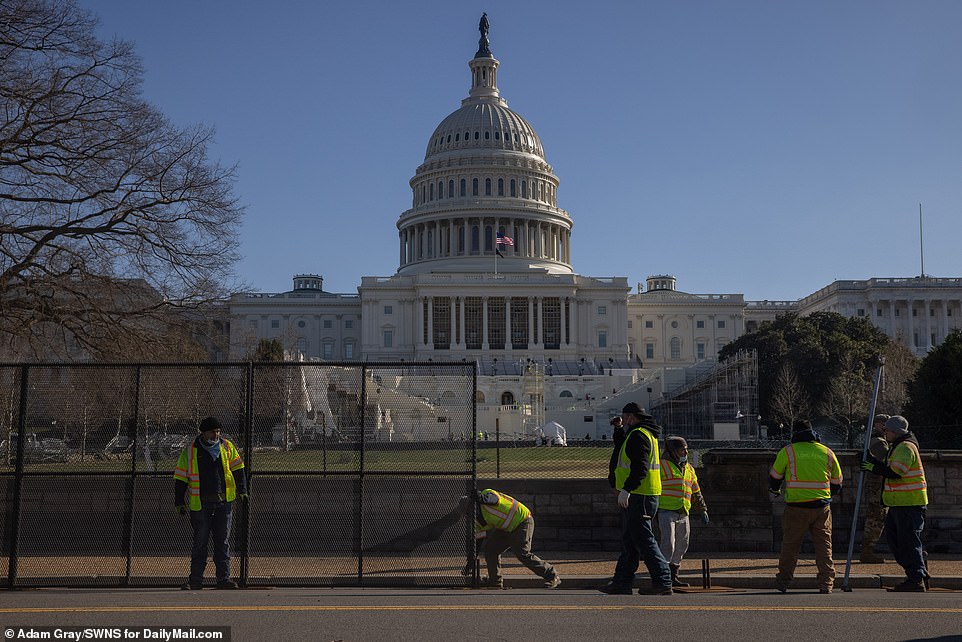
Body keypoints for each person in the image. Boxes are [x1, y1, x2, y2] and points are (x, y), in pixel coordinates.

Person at [600, 402, 673, 596]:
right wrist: (617, 430)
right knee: (631, 542)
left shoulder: (638, 435)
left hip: (638, 496)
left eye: (624, 417)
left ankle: (663, 580)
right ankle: (621, 582)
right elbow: (624, 448)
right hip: (642, 494)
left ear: (631, 417)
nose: (623, 420)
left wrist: (627, 490)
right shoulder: (643, 433)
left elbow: (639, 467)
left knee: (644, 541)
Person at [174, 416, 248, 590]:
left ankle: (223, 579)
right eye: (213, 432)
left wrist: (243, 490)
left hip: (224, 503)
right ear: (204, 432)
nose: (216, 435)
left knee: (222, 541)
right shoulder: (191, 450)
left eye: (218, 431)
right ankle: (195, 580)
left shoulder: (227, 447)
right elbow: (181, 478)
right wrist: (179, 501)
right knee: (200, 542)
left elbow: (239, 470)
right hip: (200, 505)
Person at [769, 420, 842, 594]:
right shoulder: (827, 452)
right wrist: (827, 495)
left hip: (796, 507)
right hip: (821, 507)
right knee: (824, 546)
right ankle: (826, 583)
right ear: (812, 432)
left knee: (790, 545)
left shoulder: (788, 452)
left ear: (795, 433)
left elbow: (774, 477)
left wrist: (775, 490)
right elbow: (837, 482)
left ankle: (784, 581)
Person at [861, 415, 929, 592]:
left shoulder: (905, 447)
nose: (885, 433)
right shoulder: (897, 447)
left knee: (907, 542)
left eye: (887, 430)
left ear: (895, 431)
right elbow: (888, 466)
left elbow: (896, 472)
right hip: (900, 503)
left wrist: (873, 467)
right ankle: (918, 570)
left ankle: (916, 578)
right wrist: (872, 461)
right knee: (896, 541)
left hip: (910, 503)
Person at [465, 488, 561, 589]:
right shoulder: (477, 521)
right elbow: (477, 542)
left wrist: (481, 497)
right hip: (506, 529)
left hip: (522, 521)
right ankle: (494, 581)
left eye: (470, 509)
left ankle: (552, 576)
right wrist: (470, 561)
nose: (470, 514)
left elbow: (494, 499)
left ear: (474, 504)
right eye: (468, 513)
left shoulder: (487, 494)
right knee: (491, 550)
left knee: (522, 553)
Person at [657, 436, 709, 588]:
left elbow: (696, 491)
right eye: (682, 450)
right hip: (666, 510)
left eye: (686, 449)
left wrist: (702, 509)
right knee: (668, 543)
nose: (685, 452)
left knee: (683, 544)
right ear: (673, 452)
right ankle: (663, 576)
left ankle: (673, 574)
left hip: (683, 511)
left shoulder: (689, 469)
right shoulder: (661, 466)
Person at [860, 413, 891, 563]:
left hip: (877, 487)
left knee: (877, 517)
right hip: (877, 488)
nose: (886, 427)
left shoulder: (876, 440)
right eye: (883, 424)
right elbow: (888, 462)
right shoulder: (879, 442)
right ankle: (867, 550)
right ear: (877, 424)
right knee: (875, 518)